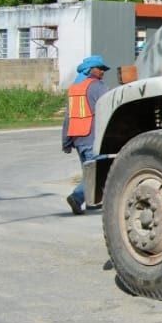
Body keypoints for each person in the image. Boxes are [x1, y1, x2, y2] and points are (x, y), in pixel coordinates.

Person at [61, 54, 109, 215]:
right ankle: (77, 197)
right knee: (98, 172)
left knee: (88, 172)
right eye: (100, 68)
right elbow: (108, 109)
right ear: (91, 70)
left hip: (78, 137)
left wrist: (66, 142)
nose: (103, 71)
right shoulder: (96, 86)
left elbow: (68, 117)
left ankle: (91, 202)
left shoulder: (74, 88)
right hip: (93, 137)